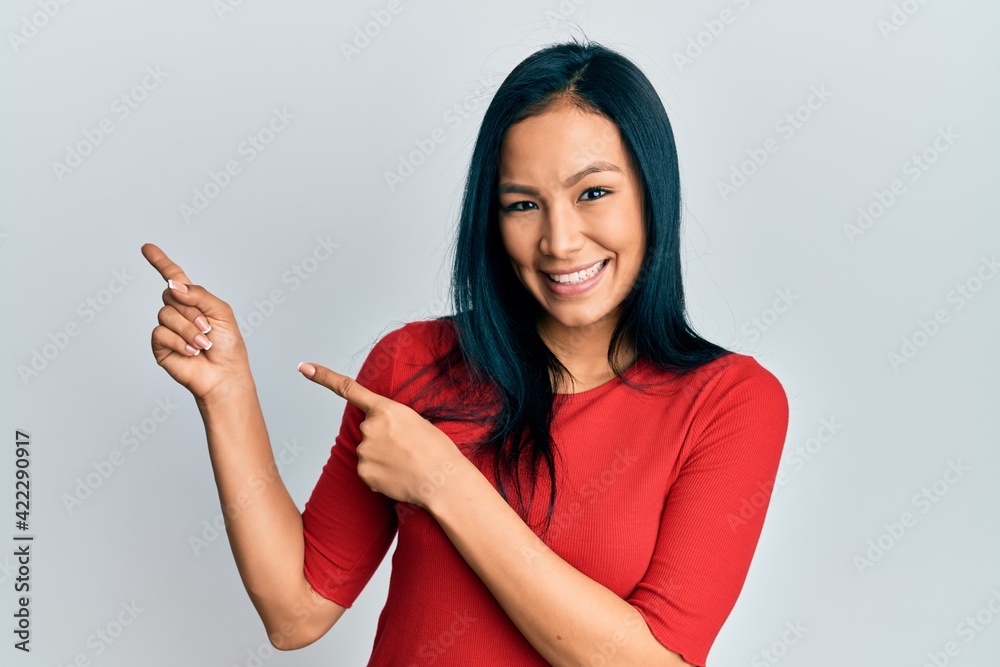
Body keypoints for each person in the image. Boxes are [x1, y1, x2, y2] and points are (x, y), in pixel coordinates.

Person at [142, 38, 789, 667]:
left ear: (653, 192)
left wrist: (444, 481)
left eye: (593, 193)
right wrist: (226, 391)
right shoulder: (411, 362)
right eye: (523, 204)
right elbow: (295, 612)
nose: (559, 241)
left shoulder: (731, 402)